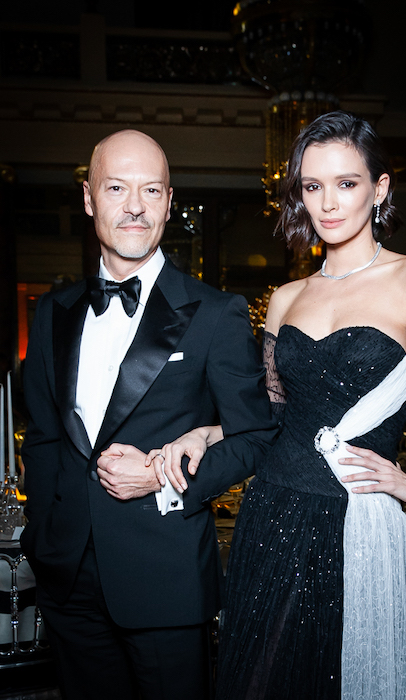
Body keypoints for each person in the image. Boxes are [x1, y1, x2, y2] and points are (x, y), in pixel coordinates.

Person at [158, 111, 406, 700]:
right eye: (312, 185)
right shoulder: (286, 297)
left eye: (346, 183)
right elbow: (270, 418)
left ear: (380, 188)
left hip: (357, 523)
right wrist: (206, 433)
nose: (328, 203)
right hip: (271, 512)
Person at [20, 129, 277, 700]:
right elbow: (43, 437)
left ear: (168, 202)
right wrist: (43, 533)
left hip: (165, 575)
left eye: (151, 190)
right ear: (89, 198)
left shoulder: (216, 312)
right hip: (66, 577)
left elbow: (257, 435)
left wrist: (164, 476)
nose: (134, 206)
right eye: (116, 187)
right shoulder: (54, 311)